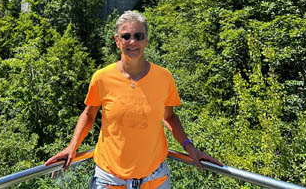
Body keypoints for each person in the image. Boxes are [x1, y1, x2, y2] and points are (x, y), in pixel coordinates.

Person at [45, 11, 221, 188]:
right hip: (109, 178)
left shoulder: (164, 77)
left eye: (138, 36)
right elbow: (89, 115)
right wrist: (72, 147)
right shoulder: (102, 78)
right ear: (117, 41)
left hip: (155, 178)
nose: (132, 41)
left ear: (146, 40)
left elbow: (169, 117)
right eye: (126, 36)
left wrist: (190, 148)